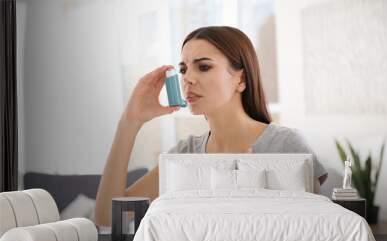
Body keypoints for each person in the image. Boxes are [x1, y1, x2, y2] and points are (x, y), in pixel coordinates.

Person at [95, 26, 328, 227]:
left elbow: (317, 226)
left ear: (241, 79)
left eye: (203, 67)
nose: (187, 79)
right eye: (184, 69)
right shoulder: (184, 155)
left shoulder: (287, 145)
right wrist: (130, 122)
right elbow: (109, 219)